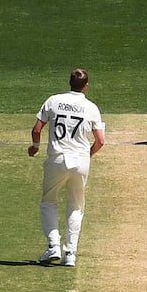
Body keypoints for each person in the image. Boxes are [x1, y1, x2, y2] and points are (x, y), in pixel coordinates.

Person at [28, 68, 106, 267]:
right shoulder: (91, 107)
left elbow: (37, 130)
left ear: (69, 82)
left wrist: (35, 147)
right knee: (76, 206)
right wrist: (87, 156)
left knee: (48, 201)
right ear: (86, 86)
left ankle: (53, 245)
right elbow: (100, 141)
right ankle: (70, 253)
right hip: (80, 162)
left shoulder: (54, 101)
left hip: (57, 159)